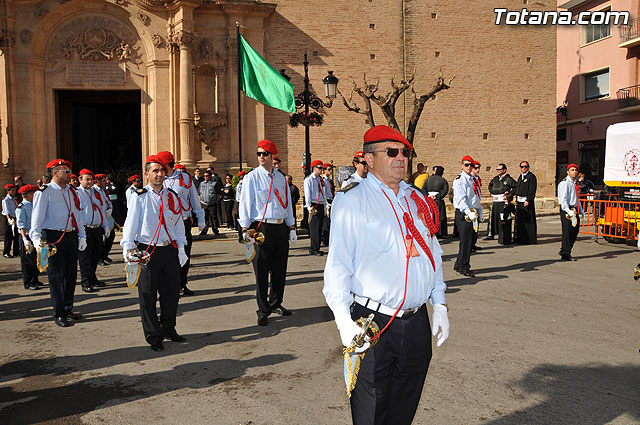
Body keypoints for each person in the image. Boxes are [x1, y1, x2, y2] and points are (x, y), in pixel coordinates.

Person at [323, 125, 449, 424]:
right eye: (391, 152)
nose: (401, 158)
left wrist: (440, 304)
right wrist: (343, 321)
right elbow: (338, 265)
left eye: (405, 152)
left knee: (404, 408)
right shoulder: (352, 200)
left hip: (417, 321)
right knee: (372, 412)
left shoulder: (417, 199)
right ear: (368, 158)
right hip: (373, 322)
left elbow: (433, 255)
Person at [121, 155, 188, 351]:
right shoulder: (139, 196)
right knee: (148, 295)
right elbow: (130, 224)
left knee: (171, 293)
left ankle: (168, 328)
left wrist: (181, 247)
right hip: (147, 250)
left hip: (169, 249)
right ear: (147, 174)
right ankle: (153, 336)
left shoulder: (171, 196)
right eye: (155, 171)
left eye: (161, 171)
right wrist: (128, 248)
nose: (159, 175)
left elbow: (177, 224)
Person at [238, 139, 296, 326]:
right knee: (261, 270)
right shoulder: (252, 177)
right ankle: (263, 309)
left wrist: (292, 226)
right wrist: (245, 228)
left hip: (279, 227)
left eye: (265, 154)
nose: (261, 157)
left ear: (272, 157)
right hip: (261, 227)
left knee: (280, 269)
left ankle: (276, 303)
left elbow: (287, 203)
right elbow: (246, 203)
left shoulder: (280, 178)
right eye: (259, 154)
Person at [30, 159, 87, 327]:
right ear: (55, 172)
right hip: (53, 236)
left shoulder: (71, 191)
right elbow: (37, 219)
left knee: (70, 274)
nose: (69, 174)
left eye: (69, 171)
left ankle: (68, 307)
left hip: (70, 235)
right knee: (56, 276)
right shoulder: (44, 192)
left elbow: (77, 214)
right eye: (66, 171)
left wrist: (82, 235)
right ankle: (59, 313)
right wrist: (36, 239)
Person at [157, 151, 205, 296]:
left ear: (167, 164)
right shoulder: (159, 179)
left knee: (184, 254)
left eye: (161, 165)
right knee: (167, 256)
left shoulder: (184, 178)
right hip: (166, 224)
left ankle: (182, 284)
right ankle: (168, 286)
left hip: (183, 222)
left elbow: (194, 198)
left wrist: (200, 217)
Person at [77, 169, 111, 293]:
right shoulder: (76, 193)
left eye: (91, 179)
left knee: (95, 255)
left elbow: (101, 210)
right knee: (85, 257)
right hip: (85, 229)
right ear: (80, 179)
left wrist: (105, 226)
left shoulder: (96, 192)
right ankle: (85, 281)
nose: (90, 182)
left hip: (97, 228)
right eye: (87, 179)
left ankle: (92, 277)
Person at [453, 155, 480, 277]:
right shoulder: (460, 180)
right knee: (466, 241)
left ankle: (459, 264)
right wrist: (468, 212)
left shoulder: (471, 179)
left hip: (472, 212)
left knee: (469, 240)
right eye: (466, 164)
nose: (469, 167)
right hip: (464, 213)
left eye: (471, 165)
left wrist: (479, 210)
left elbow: (474, 197)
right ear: (462, 165)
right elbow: (461, 199)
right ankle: (464, 266)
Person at [16, 184, 41, 290]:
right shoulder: (21, 207)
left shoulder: (34, 204)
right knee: (27, 261)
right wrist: (24, 239)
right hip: (26, 236)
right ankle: (29, 282)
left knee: (35, 259)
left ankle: (35, 279)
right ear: (27, 195)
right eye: (33, 193)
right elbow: (21, 224)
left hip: (34, 235)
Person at [558, 164, 584, 261]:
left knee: (575, 230)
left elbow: (577, 198)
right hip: (567, 209)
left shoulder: (575, 183)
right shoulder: (565, 183)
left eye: (576, 170)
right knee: (567, 231)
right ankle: (565, 253)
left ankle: (565, 249)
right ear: (568, 172)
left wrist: (581, 210)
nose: (574, 172)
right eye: (572, 170)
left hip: (574, 208)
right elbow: (563, 199)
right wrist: (569, 211)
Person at [486, 163, 516, 240]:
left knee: (502, 218)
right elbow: (490, 186)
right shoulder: (495, 178)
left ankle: (502, 235)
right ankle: (490, 234)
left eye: (500, 169)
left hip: (503, 201)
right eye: (497, 169)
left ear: (504, 170)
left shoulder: (508, 179)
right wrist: (491, 192)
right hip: (495, 201)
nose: (498, 171)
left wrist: (510, 193)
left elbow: (516, 187)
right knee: (492, 218)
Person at [304, 159, 327, 255]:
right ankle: (313, 248)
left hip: (321, 204)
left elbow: (323, 193)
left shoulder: (320, 179)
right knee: (315, 228)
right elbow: (307, 193)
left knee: (320, 227)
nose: (322, 170)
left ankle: (317, 247)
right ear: (314, 168)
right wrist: (309, 206)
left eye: (322, 168)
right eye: (320, 168)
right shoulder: (309, 179)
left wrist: (325, 205)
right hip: (314, 204)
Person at [94, 174, 115, 265]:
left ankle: (104, 255)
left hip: (107, 218)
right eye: (103, 180)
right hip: (99, 218)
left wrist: (110, 208)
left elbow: (108, 201)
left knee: (110, 237)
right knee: (99, 241)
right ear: (98, 181)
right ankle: (99, 258)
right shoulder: (93, 191)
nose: (105, 182)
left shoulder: (104, 191)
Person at [515, 160, 537, 244]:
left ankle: (529, 239)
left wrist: (528, 199)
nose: (524, 168)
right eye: (522, 167)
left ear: (528, 167)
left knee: (529, 221)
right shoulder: (520, 177)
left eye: (525, 167)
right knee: (521, 221)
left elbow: (532, 189)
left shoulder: (531, 177)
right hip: (519, 201)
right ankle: (521, 239)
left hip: (526, 201)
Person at [424, 166, 449, 238]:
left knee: (431, 216)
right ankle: (440, 232)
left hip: (429, 200)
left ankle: (431, 231)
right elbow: (445, 190)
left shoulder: (428, 180)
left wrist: (428, 195)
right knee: (440, 216)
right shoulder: (443, 180)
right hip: (438, 201)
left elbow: (423, 189)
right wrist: (438, 196)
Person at [199, 170, 221, 236]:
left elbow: (218, 194)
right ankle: (204, 230)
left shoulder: (214, 183)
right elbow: (199, 193)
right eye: (204, 176)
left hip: (212, 203)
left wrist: (216, 201)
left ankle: (215, 230)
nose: (206, 177)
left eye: (207, 176)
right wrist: (200, 200)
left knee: (214, 217)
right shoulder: (202, 183)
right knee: (204, 217)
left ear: (210, 176)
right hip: (204, 203)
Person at [2, 184, 20, 258]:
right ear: (8, 191)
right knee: (8, 236)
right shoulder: (6, 200)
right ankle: (6, 252)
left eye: (14, 190)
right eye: (12, 190)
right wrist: (9, 219)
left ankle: (16, 252)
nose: (14, 192)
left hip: (15, 218)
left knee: (16, 235)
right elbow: (6, 211)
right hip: (9, 218)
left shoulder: (14, 199)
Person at [470, 160, 484, 251]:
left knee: (476, 227)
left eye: (479, 168)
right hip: (470, 206)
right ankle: (469, 245)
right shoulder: (469, 179)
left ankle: (473, 244)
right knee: (470, 229)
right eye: (476, 168)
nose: (478, 170)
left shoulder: (478, 179)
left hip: (477, 204)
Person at [322, 163, 334, 246]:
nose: (330, 171)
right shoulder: (323, 180)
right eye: (329, 169)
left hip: (331, 199)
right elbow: (323, 192)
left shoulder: (329, 180)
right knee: (326, 221)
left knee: (330, 221)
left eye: (331, 169)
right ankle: (325, 239)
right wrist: (326, 203)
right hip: (326, 200)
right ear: (324, 170)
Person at [235, 170, 248, 242]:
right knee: (243, 220)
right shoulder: (242, 184)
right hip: (242, 203)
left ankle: (241, 236)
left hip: (240, 203)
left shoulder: (240, 184)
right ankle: (242, 236)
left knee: (242, 220)